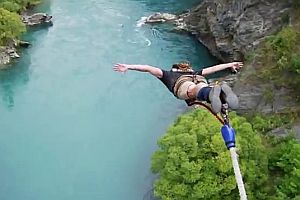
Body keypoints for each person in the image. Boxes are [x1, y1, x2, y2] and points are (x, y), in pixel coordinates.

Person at [113, 62, 243, 113]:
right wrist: (230, 64)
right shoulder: (194, 72)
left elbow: (147, 68)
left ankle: (213, 94)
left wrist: (129, 67)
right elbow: (214, 68)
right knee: (202, 86)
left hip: (183, 87)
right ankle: (218, 92)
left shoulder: (168, 75)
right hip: (198, 81)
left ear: (175, 68)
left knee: (194, 90)